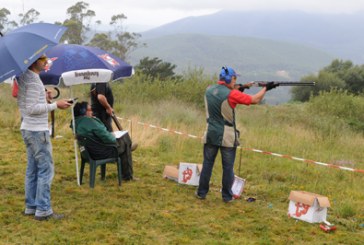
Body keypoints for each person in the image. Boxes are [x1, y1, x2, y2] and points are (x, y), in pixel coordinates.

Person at [196, 66, 277, 203]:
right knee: (228, 168)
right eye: (234, 78)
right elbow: (254, 100)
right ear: (229, 79)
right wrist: (265, 89)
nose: (235, 81)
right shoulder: (232, 94)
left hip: (210, 133)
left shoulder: (209, 89)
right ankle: (227, 196)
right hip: (226, 136)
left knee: (207, 164)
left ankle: (201, 193)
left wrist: (242, 87)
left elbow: (223, 94)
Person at [17, 54, 72, 221]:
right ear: (34, 61)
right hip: (37, 131)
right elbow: (32, 108)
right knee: (45, 170)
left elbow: (27, 103)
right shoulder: (33, 80)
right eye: (43, 59)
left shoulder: (24, 77)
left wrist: (44, 97)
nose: (46, 62)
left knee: (32, 169)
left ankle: (31, 206)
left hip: (28, 128)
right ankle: (43, 210)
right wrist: (56, 104)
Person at [73, 101, 135, 181]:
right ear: (83, 112)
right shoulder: (91, 123)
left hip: (87, 153)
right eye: (90, 110)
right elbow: (110, 139)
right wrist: (111, 135)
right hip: (101, 152)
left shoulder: (76, 123)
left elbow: (97, 135)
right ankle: (127, 176)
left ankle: (128, 149)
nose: (92, 112)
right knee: (125, 138)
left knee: (124, 142)